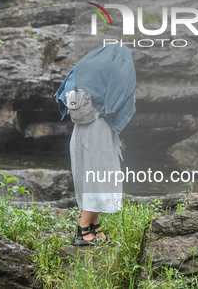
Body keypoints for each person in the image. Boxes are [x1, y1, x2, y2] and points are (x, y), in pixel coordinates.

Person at [55, 43, 136, 246]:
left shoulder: (86, 65)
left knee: (87, 175)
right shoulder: (122, 59)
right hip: (99, 128)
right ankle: (83, 231)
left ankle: (95, 227)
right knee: (99, 177)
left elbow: (64, 89)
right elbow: (124, 87)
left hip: (82, 127)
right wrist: (112, 110)